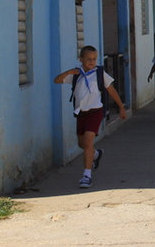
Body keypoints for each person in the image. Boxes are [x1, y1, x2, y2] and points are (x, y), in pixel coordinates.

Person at [54, 45, 126, 188]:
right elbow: (57, 80)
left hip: (95, 112)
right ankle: (95, 154)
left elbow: (111, 90)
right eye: (88, 59)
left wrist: (121, 107)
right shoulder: (76, 74)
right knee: (82, 144)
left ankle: (87, 176)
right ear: (81, 59)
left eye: (94, 59)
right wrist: (69, 71)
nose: (92, 62)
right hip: (81, 113)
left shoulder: (99, 73)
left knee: (87, 142)